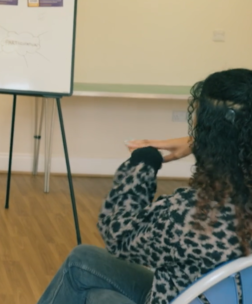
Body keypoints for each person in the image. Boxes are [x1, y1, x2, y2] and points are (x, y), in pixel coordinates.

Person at [38, 68, 252, 304]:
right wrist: (208, 142)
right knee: (82, 259)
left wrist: (142, 165)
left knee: (95, 294)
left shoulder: (191, 215)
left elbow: (118, 233)